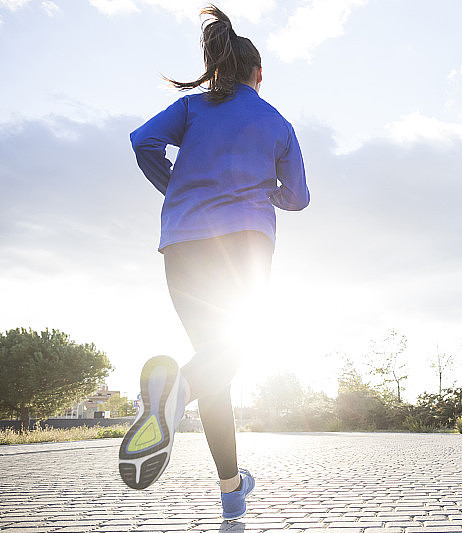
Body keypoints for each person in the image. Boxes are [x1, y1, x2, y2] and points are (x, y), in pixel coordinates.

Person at [119, 5, 309, 521]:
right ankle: (176, 392)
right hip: (246, 242)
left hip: (181, 241)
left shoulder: (192, 109)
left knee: (216, 361)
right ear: (259, 74)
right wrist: (268, 188)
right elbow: (298, 198)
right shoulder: (276, 121)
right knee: (230, 349)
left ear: (217, 70)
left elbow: (142, 142)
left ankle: (231, 489)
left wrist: (176, 187)